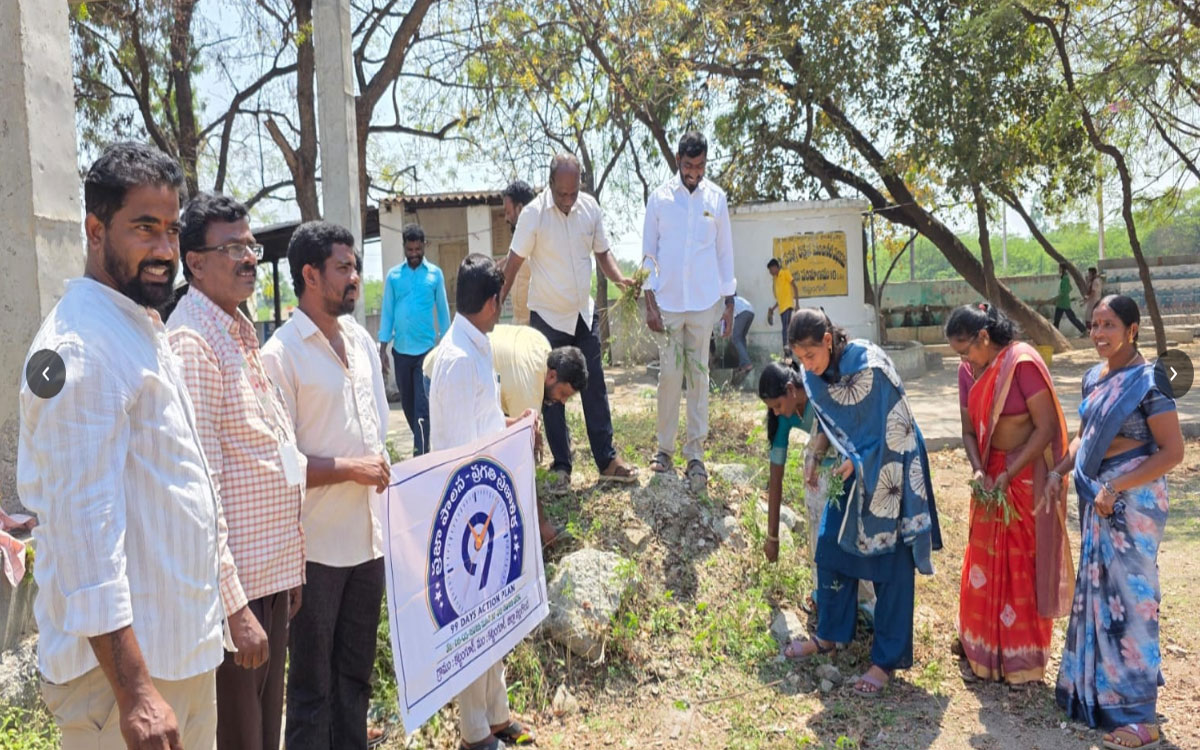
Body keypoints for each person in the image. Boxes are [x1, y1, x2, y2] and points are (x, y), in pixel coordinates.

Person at [17, 141, 253, 749]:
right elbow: (81, 533)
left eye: (172, 231)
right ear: (96, 230)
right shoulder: (80, 347)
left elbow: (182, 485)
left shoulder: (139, 328)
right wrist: (136, 693)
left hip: (178, 656)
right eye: (144, 228)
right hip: (122, 684)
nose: (165, 251)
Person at [169, 193, 306, 749]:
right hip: (236, 598)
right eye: (233, 248)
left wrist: (286, 569)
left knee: (262, 737)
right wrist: (235, 607)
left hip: (265, 582)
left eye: (250, 245)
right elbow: (203, 489)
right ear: (195, 263)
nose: (249, 258)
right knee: (241, 741)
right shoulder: (194, 344)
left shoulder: (236, 331)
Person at [262, 221, 391, 750]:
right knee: (312, 690)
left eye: (355, 266)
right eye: (344, 267)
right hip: (313, 554)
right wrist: (350, 468)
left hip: (368, 542)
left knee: (355, 679)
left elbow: (379, 432)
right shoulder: (280, 354)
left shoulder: (360, 341)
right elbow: (281, 465)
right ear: (310, 275)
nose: (355, 277)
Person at [1046, 295, 1183, 750]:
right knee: (1099, 597)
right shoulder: (1092, 377)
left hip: (1130, 503)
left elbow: (1172, 452)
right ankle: (1098, 696)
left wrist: (1118, 487)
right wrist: (1057, 472)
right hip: (1096, 497)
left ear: (1132, 329)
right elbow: (1085, 438)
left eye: (1109, 325)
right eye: (1093, 325)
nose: (1099, 333)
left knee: (1132, 600)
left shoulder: (1149, 382)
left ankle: (1142, 716)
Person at [782, 309, 942, 697]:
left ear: (827, 341)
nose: (807, 366)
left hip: (891, 467)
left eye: (811, 356)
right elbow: (831, 423)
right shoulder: (814, 377)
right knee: (831, 550)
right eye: (799, 359)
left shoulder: (870, 366)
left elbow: (894, 423)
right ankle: (830, 636)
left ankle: (885, 660)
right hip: (852, 474)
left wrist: (861, 460)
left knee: (891, 565)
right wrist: (818, 455)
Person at [428, 255, 539, 750]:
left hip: (489, 502)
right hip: (468, 511)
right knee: (470, 624)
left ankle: (496, 715)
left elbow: (485, 429)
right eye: (502, 301)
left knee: (493, 617)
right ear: (491, 302)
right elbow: (454, 454)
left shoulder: (478, 347)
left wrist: (515, 428)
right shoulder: (455, 359)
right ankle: (474, 733)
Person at [945, 304, 1074, 686]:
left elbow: (1045, 426)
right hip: (990, 479)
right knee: (984, 561)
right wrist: (979, 470)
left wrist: (1009, 471)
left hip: (1023, 475)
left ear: (984, 338)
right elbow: (969, 432)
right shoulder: (967, 372)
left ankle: (1022, 660)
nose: (964, 359)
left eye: (966, 349)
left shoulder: (1021, 363)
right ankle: (981, 649)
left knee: (1022, 566)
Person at [498, 153, 637, 488]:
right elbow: (514, 263)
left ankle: (606, 458)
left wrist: (621, 281)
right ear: (550, 185)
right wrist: (493, 304)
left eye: (573, 193)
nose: (568, 200)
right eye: (562, 194)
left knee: (594, 386)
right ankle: (562, 467)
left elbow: (603, 253)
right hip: (546, 318)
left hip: (581, 315)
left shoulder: (589, 209)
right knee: (550, 394)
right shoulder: (532, 215)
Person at [423, 323, 589, 546]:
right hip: (444, 374)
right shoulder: (528, 383)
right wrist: (542, 525)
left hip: (465, 374)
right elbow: (520, 463)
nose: (561, 401)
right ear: (552, 376)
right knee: (463, 463)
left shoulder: (543, 349)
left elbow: (495, 421)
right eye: (563, 393)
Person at [642, 131, 737, 490]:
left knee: (698, 380)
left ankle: (695, 455)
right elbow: (649, 254)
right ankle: (664, 449)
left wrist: (729, 302)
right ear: (678, 161)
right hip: (667, 304)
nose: (694, 173)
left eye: (699, 166)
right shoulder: (660, 199)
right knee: (669, 377)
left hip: (703, 303)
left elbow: (725, 253)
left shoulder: (717, 199)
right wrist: (649, 302)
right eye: (688, 165)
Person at [758, 360, 876, 616]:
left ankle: (865, 601)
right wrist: (773, 537)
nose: (776, 413)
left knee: (853, 535)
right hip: (818, 479)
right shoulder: (784, 419)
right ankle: (824, 592)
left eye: (778, 405)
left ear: (791, 389)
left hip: (849, 467)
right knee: (820, 537)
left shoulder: (821, 392)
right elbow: (775, 477)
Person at [378, 223, 449, 456]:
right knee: (407, 404)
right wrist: (383, 348)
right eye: (410, 250)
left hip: (426, 352)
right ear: (404, 248)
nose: (414, 254)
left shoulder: (435, 275)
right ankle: (422, 440)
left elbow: (443, 311)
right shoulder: (394, 276)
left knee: (422, 405)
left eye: (418, 249)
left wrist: (447, 345)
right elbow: (387, 312)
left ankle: (421, 453)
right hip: (401, 352)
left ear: (424, 246)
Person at [501, 180, 536, 325]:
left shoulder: (541, 240)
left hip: (538, 329)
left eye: (508, 212)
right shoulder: (516, 243)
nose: (506, 218)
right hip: (519, 326)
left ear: (520, 208)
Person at [767, 258, 799, 353]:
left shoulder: (785, 273)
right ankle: (787, 351)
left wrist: (797, 304)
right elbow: (779, 299)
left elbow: (795, 287)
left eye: (770, 269)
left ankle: (788, 350)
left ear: (775, 267)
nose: (770, 272)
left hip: (788, 306)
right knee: (785, 329)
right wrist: (773, 309)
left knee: (785, 329)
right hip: (782, 308)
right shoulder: (775, 279)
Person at [722, 294, 756, 384]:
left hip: (743, 313)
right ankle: (743, 363)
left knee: (736, 338)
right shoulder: (739, 299)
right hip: (751, 312)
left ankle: (747, 363)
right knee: (741, 337)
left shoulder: (729, 300)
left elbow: (728, 313)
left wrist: (726, 329)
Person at [1054, 264, 1088, 336]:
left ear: (1062, 269)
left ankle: (1084, 330)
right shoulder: (1064, 278)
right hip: (1062, 302)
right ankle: (1054, 334)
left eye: (1059, 268)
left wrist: (1055, 298)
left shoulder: (1065, 279)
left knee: (1071, 318)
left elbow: (1064, 292)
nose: (1058, 269)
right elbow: (1070, 288)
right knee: (1058, 320)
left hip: (1063, 303)